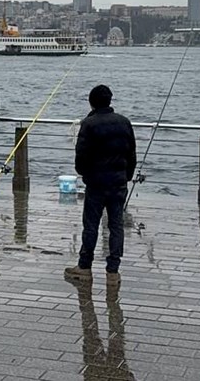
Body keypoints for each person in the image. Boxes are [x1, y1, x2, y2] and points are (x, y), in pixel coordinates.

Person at [65, 85, 136, 286]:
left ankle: (85, 266)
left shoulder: (89, 124)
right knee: (116, 225)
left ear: (92, 102)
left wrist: (84, 173)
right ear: (110, 100)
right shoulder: (125, 122)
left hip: (96, 183)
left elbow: (81, 155)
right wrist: (127, 175)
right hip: (118, 182)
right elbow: (131, 153)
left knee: (91, 225)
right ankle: (113, 271)